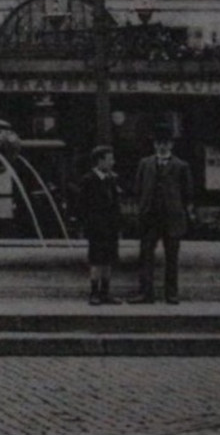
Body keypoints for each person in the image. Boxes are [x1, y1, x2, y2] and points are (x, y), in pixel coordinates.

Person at [131, 123, 195, 304]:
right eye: (159, 143)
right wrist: (142, 209)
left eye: (165, 143)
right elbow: (138, 188)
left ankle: (172, 294)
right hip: (150, 217)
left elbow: (187, 192)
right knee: (145, 255)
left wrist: (182, 211)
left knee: (172, 257)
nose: (161, 146)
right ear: (154, 145)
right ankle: (145, 293)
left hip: (172, 218)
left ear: (171, 145)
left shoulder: (181, 166)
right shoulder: (145, 164)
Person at [78, 145, 123, 305]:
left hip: (111, 228)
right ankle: (94, 293)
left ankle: (105, 292)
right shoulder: (88, 180)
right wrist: (88, 227)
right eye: (110, 159)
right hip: (96, 229)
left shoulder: (112, 179)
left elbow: (116, 204)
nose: (113, 162)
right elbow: (82, 207)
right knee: (96, 261)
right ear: (100, 160)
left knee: (108, 261)